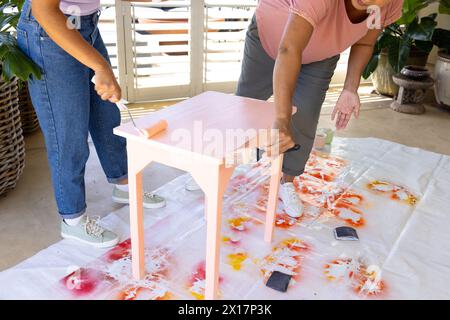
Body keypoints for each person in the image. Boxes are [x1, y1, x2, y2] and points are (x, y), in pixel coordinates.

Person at [17, 0, 166, 248]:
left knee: (106, 116)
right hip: (50, 30)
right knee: (68, 132)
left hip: (85, 25)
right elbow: (44, 10)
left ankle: (123, 183)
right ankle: (72, 219)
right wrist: (100, 66)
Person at [236, 0, 403, 218]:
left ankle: (287, 181)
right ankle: (216, 164)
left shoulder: (389, 3)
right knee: (244, 106)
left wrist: (350, 88)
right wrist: (282, 118)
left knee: (306, 116)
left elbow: (365, 42)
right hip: (272, 39)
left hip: (321, 53)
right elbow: (289, 48)